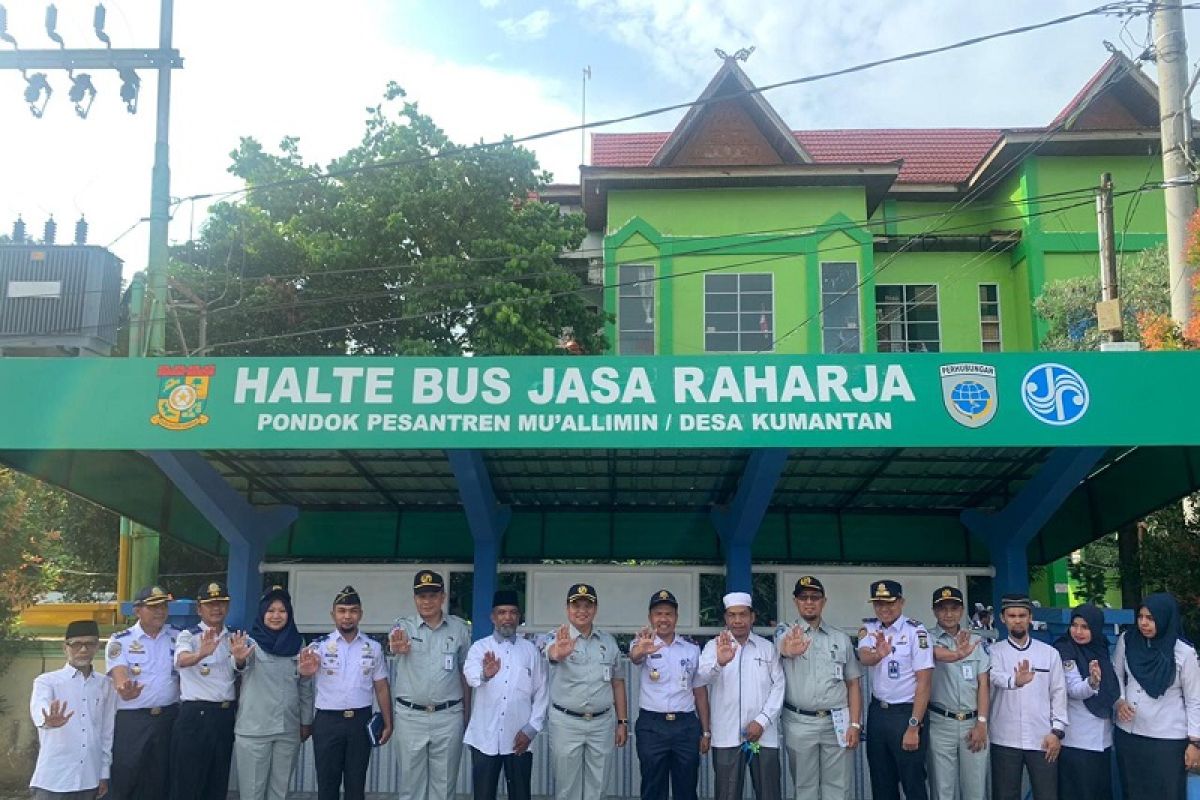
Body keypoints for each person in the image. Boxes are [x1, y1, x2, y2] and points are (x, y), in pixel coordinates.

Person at [776, 575, 863, 800]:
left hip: (837, 722)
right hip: (799, 723)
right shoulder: (786, 632)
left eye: (815, 597)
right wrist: (789, 648)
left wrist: (854, 723)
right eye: (803, 597)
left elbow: (853, 683)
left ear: (824, 601)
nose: (809, 602)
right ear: (795, 601)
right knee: (804, 788)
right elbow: (782, 647)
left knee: (838, 787)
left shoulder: (840, 637)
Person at [388, 569, 472, 800]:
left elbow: (465, 673)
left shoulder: (460, 629)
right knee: (410, 786)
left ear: (442, 597)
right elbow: (394, 640)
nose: (427, 601)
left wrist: (467, 713)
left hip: (448, 716)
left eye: (433, 595)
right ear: (415, 598)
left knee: (444, 787)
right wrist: (396, 647)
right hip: (410, 717)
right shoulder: (403, 626)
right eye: (422, 596)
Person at [543, 583, 628, 800]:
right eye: (576, 605)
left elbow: (617, 682)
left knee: (598, 786)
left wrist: (622, 722)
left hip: (601, 723)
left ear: (595, 608)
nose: (582, 610)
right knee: (566, 786)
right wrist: (559, 653)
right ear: (567, 609)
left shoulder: (608, 642)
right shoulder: (556, 637)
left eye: (587, 605)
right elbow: (551, 654)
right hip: (566, 723)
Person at [231, 586, 318, 800]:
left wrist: (306, 721)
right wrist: (239, 658)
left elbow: (305, 686)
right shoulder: (250, 642)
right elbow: (239, 665)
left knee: (280, 793)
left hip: (287, 729)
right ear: (262, 613)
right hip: (254, 730)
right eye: (270, 610)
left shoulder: (298, 643)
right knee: (252, 793)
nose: (276, 616)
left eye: (282, 610)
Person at [696, 591, 784, 800]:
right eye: (732, 615)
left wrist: (762, 721)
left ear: (752, 617)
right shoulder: (713, 646)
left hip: (764, 735)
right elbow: (702, 678)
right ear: (726, 618)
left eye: (743, 614)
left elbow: (779, 686)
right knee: (727, 794)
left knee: (769, 793)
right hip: (726, 735)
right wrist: (720, 662)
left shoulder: (767, 648)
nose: (737, 621)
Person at [1113, 592, 1200, 800]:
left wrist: (1195, 743)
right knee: (1133, 792)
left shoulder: (1184, 653)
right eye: (1141, 616)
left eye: (1151, 618)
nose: (1144, 623)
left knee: (1167, 793)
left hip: (1167, 740)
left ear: (1165, 618)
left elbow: (1194, 699)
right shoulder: (1128, 640)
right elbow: (1115, 674)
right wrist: (1120, 701)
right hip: (1130, 735)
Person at [309, 585, 393, 800]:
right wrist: (303, 671)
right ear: (333, 614)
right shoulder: (318, 646)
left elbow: (381, 686)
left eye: (353, 611)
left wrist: (388, 721)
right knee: (327, 785)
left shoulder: (372, 647)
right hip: (327, 722)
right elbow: (302, 676)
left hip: (359, 722)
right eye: (342, 611)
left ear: (360, 614)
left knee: (356, 786)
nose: (347, 616)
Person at [463, 590, 548, 800]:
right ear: (493, 617)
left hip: (519, 737)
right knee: (483, 795)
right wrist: (486, 674)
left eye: (512, 612)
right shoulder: (479, 648)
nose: (507, 617)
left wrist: (531, 729)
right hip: (484, 737)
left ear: (519, 617)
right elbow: (471, 677)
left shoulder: (530, 651)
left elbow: (542, 691)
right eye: (502, 612)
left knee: (520, 795)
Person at [629, 588, 712, 800]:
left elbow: (700, 690)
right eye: (658, 613)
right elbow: (635, 657)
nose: (663, 619)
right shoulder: (642, 643)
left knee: (686, 787)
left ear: (676, 617)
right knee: (653, 787)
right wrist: (641, 649)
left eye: (668, 613)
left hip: (685, 726)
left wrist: (706, 731)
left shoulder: (691, 649)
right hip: (652, 725)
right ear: (650, 617)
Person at [857, 579, 934, 800]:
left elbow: (924, 682)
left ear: (901, 602)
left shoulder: (916, 632)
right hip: (879, 713)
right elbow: (864, 657)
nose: (884, 608)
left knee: (913, 782)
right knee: (881, 782)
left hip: (907, 714)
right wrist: (878, 654)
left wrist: (913, 726)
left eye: (889, 602)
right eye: (878, 603)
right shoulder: (870, 628)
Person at [988, 593, 1067, 800]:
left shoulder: (1049, 653)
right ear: (1003, 618)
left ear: (1030, 617)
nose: (1017, 620)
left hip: (1042, 738)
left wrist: (1056, 732)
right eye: (1012, 615)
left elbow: (1058, 693)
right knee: (1005, 795)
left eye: (1022, 615)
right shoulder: (993, 652)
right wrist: (1015, 681)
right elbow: (993, 676)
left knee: (1047, 795)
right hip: (1004, 737)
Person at [104, 585, 179, 800]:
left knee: (159, 779)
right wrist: (124, 689)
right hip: (133, 720)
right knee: (125, 775)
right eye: (153, 607)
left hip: (167, 718)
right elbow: (119, 676)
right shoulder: (121, 640)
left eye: (163, 606)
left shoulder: (177, 637)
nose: (160, 611)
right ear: (138, 611)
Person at [29, 619, 117, 800]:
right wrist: (47, 720)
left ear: (97, 647)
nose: (83, 650)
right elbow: (39, 709)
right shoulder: (47, 681)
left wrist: (104, 773)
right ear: (65, 647)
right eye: (77, 644)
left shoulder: (105, 684)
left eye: (90, 644)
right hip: (54, 778)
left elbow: (106, 732)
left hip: (89, 778)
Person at [170, 581, 238, 800]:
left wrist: (241, 660)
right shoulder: (188, 635)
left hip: (224, 715)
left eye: (221, 603)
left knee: (217, 783)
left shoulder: (234, 637)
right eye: (210, 604)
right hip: (196, 717)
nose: (216, 608)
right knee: (189, 783)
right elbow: (181, 660)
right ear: (199, 609)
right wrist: (201, 653)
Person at [927, 585, 990, 800]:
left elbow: (983, 684)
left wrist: (982, 722)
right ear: (934, 611)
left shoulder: (975, 642)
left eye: (954, 608)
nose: (948, 614)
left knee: (975, 790)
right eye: (942, 608)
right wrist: (955, 653)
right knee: (942, 790)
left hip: (972, 723)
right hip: (940, 722)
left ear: (962, 611)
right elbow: (933, 656)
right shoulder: (926, 640)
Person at [1052, 603, 1117, 800]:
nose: (1078, 632)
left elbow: (1114, 687)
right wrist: (1092, 683)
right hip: (1077, 740)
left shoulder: (1101, 646)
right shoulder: (1065, 649)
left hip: (1103, 739)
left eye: (1085, 627)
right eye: (1075, 625)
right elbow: (1073, 689)